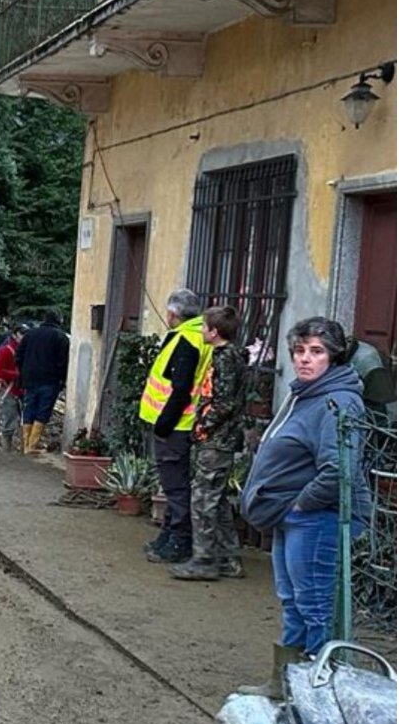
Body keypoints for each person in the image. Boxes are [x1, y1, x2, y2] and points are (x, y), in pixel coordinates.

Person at [237, 317, 370, 697]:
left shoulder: (337, 402)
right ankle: (285, 684)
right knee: (293, 601)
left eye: (316, 351)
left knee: (315, 605)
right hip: (293, 519)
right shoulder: (306, 394)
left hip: (316, 519)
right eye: (299, 351)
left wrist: (299, 506)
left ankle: (317, 694)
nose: (305, 359)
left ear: (334, 356)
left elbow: (337, 469)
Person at [171, 306, 249, 581]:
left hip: (217, 440)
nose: (202, 330)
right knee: (217, 500)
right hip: (221, 438)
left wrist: (203, 428)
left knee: (203, 500)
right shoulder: (230, 356)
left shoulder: (226, 359)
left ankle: (204, 560)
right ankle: (228, 558)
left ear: (215, 332)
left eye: (205, 327)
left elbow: (224, 402)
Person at [140, 288, 211, 564]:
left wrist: (163, 424)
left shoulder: (187, 340)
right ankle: (168, 536)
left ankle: (179, 541)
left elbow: (180, 388)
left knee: (175, 486)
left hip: (174, 424)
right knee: (173, 484)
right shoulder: (197, 335)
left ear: (172, 314)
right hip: (179, 422)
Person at [15, 311, 69, 454]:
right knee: (43, 411)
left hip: (30, 379)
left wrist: (24, 372)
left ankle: (26, 444)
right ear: (58, 321)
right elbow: (63, 362)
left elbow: (18, 357)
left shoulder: (30, 335)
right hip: (50, 381)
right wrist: (62, 380)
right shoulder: (61, 337)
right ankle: (32, 445)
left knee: (29, 409)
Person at [0, 322, 27, 452]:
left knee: (25, 423)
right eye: (21, 333)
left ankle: (24, 451)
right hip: (10, 390)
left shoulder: (27, 350)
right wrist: (16, 375)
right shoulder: (6, 350)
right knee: (9, 423)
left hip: (24, 391)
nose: (24, 336)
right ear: (14, 335)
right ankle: (6, 452)